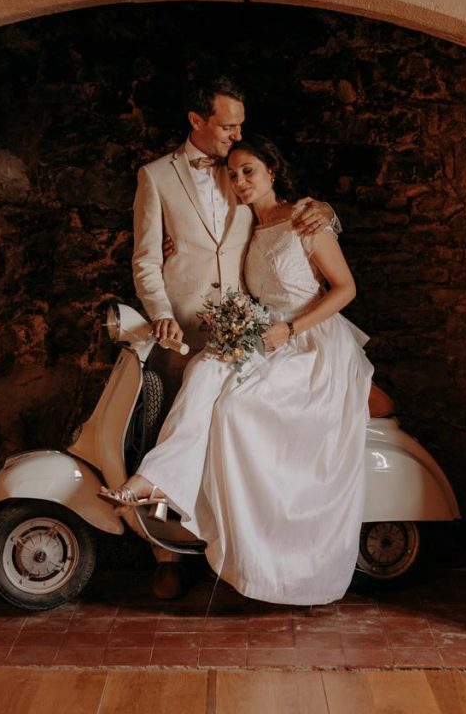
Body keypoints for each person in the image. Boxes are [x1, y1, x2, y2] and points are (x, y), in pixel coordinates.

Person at [103, 136, 374, 606]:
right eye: (233, 174)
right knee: (205, 369)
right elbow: (207, 246)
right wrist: (174, 250)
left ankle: (262, 541)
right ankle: (156, 479)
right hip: (265, 336)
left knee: (231, 409)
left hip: (311, 342)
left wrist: (291, 329)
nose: (239, 181)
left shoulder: (307, 219)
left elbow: (345, 288)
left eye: (249, 171)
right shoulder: (247, 221)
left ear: (273, 171)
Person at [131, 77, 338, 597]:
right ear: (196, 120)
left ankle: (226, 538)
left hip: (249, 330)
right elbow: (146, 259)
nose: (236, 133)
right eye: (227, 125)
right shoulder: (156, 176)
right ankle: (166, 555)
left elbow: (289, 218)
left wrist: (331, 213)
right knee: (163, 419)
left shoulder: (242, 172)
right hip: (184, 326)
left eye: (240, 126)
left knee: (225, 424)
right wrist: (161, 314)